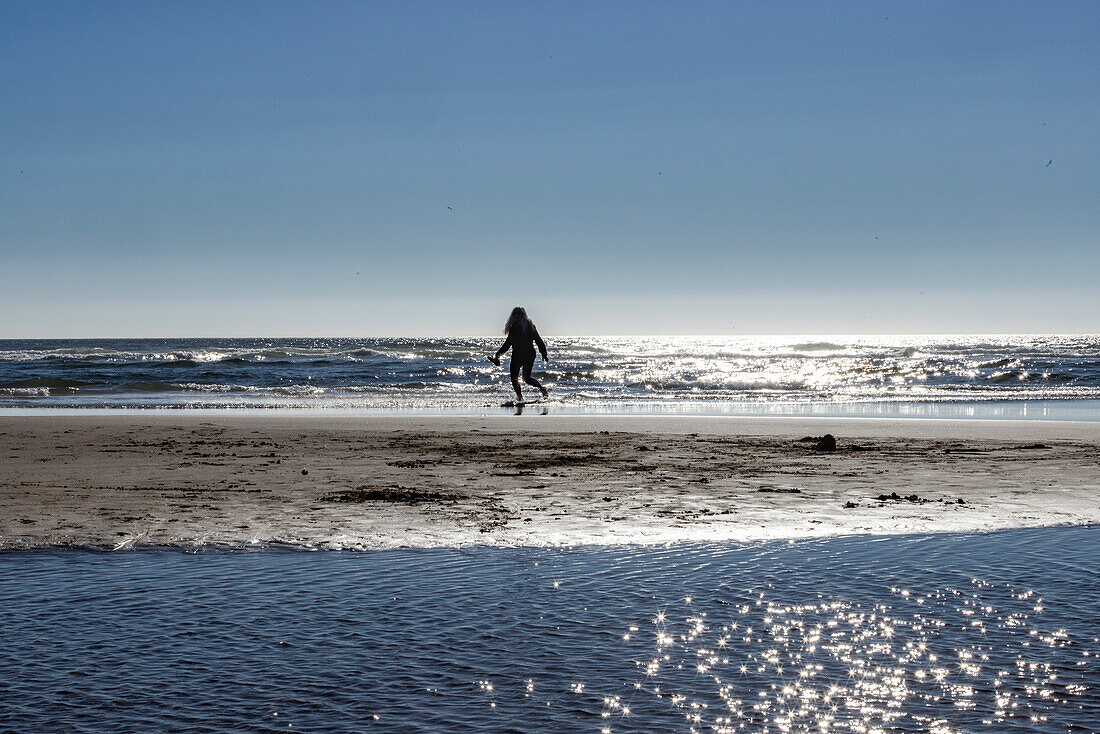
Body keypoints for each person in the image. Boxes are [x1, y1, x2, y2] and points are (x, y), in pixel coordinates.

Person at [488, 306, 549, 403]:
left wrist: (544, 353)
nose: (517, 315)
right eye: (515, 314)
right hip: (516, 355)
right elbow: (507, 344)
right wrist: (497, 356)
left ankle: (542, 389)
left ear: (523, 315)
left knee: (526, 378)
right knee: (514, 378)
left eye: (519, 313)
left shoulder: (529, 326)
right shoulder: (513, 327)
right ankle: (520, 397)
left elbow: (538, 339)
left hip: (528, 355)